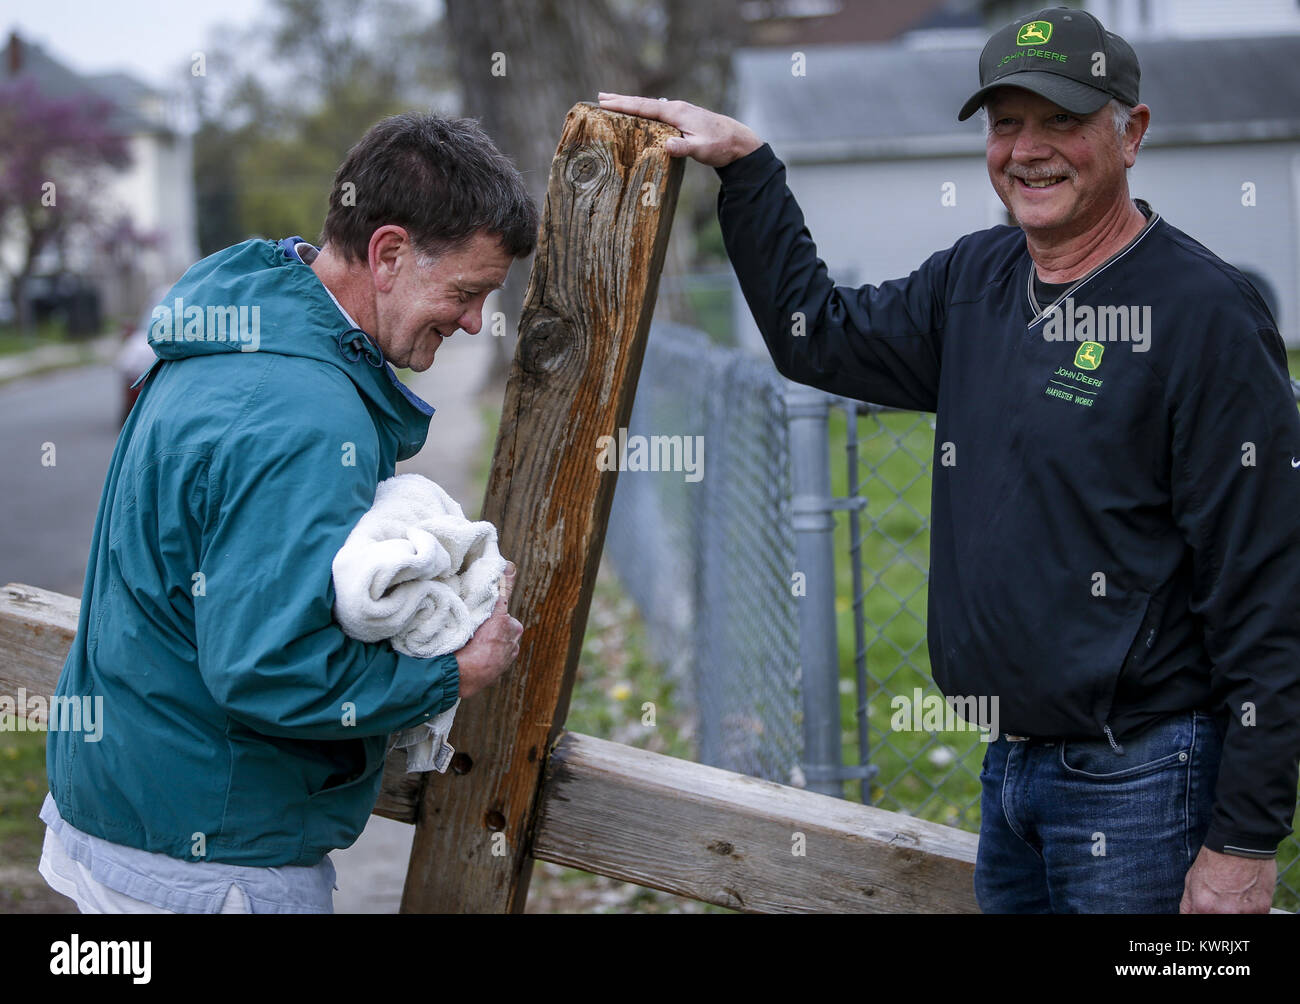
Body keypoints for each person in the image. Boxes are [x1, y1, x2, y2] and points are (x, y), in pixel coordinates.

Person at [600, 5, 1300, 914]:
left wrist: (1243, 839)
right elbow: (821, 337)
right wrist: (749, 171)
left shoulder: (1203, 316)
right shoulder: (976, 281)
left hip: (1144, 784)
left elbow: (1267, 589)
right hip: (1011, 770)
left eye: (1062, 121)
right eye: (1008, 123)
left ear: (1130, 134)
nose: (1029, 149)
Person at [39, 113, 535, 913]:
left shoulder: (241, 328)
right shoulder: (303, 414)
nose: (475, 321)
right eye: (466, 292)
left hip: (118, 815)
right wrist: (452, 672)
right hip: (211, 859)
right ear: (389, 253)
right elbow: (266, 666)